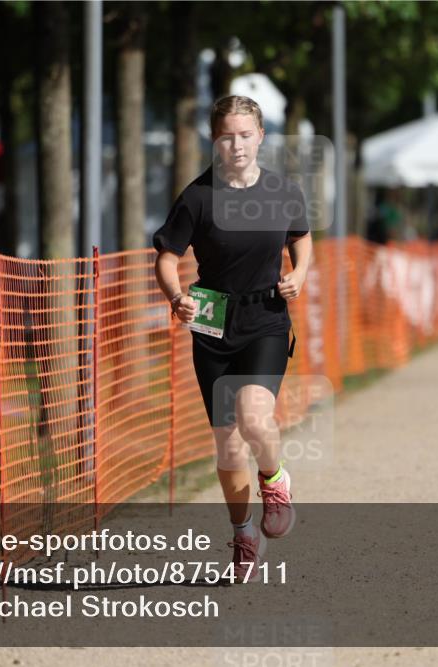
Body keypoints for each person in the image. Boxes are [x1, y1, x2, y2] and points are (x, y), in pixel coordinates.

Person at [152, 95, 312, 582]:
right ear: (214, 139)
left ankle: (276, 479)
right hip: (212, 320)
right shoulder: (198, 197)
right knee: (226, 445)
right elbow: (164, 256)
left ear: (261, 136)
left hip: (265, 316)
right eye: (227, 136)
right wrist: (176, 294)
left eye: (245, 135)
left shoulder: (283, 191)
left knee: (253, 418)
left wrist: (300, 273)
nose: (237, 145)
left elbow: (300, 239)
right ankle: (244, 534)